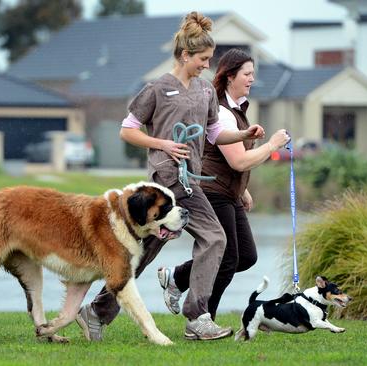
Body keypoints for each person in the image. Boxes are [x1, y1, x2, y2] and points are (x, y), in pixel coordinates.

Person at [76, 11, 265, 341]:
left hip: (190, 182)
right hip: (163, 184)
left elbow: (214, 133)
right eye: (203, 59)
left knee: (193, 242)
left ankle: (186, 316)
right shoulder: (157, 89)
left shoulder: (205, 91)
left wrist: (243, 134)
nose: (207, 65)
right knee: (176, 247)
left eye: (209, 59)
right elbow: (128, 130)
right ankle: (109, 312)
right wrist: (162, 143)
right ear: (185, 55)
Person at [156, 48, 290, 320]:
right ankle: (203, 318)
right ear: (230, 77)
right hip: (211, 192)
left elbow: (232, 161)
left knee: (247, 257)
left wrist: (244, 190)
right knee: (227, 259)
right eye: (247, 74)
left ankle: (178, 278)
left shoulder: (237, 109)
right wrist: (273, 145)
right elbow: (239, 162)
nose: (252, 79)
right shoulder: (224, 112)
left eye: (253, 74)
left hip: (229, 193)